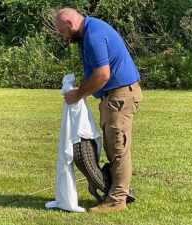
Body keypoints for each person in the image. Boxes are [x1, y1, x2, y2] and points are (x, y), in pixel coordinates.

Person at [53, 8, 143, 213]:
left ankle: (117, 200)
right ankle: (117, 190)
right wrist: (82, 88)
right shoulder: (89, 31)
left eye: (62, 31)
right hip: (113, 96)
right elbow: (96, 73)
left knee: (118, 147)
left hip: (120, 96)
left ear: (69, 22)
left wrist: (79, 94)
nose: (63, 36)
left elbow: (102, 75)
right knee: (113, 146)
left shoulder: (93, 35)